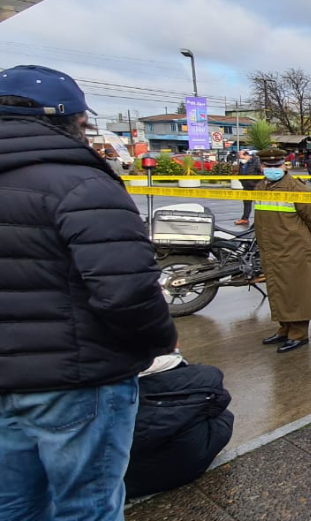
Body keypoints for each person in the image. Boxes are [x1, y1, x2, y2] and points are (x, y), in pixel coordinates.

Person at [0, 65, 178, 520]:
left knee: (14, 506)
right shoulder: (83, 184)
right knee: (88, 507)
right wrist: (160, 344)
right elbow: (127, 291)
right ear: (75, 121)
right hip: (78, 381)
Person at [125, 352, 233, 498]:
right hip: (189, 463)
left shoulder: (105, 391)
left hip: (124, 482)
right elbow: (222, 406)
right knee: (221, 414)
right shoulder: (204, 377)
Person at [254, 148, 311, 353]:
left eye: (277, 165)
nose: (272, 169)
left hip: (294, 248)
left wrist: (298, 238)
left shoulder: (297, 189)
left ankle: (298, 334)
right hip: (270, 248)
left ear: (284, 165)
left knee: (296, 291)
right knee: (278, 290)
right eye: (268, 166)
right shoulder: (261, 187)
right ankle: (284, 329)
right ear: (262, 167)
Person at [235, 150, 261, 225]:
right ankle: (245, 219)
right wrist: (241, 180)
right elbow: (240, 173)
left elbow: (261, 172)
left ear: (247, 155)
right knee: (246, 203)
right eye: (240, 158)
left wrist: (257, 183)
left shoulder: (256, 162)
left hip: (255, 186)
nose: (241, 159)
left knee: (259, 204)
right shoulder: (242, 163)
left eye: (242, 157)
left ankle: (260, 220)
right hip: (246, 186)